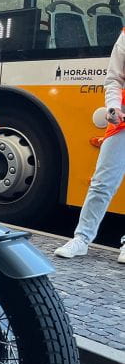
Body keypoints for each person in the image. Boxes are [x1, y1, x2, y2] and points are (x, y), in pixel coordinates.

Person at [55, 30, 125, 263]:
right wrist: (113, 106)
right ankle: (81, 239)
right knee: (102, 182)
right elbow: (114, 78)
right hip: (122, 121)